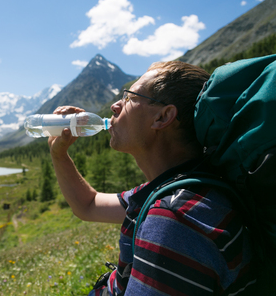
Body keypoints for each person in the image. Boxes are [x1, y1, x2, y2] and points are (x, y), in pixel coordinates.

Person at [48, 61, 256, 295]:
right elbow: (88, 205)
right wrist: (59, 154)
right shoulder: (174, 189)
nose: (115, 105)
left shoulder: (174, 218)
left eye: (129, 97)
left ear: (162, 117)